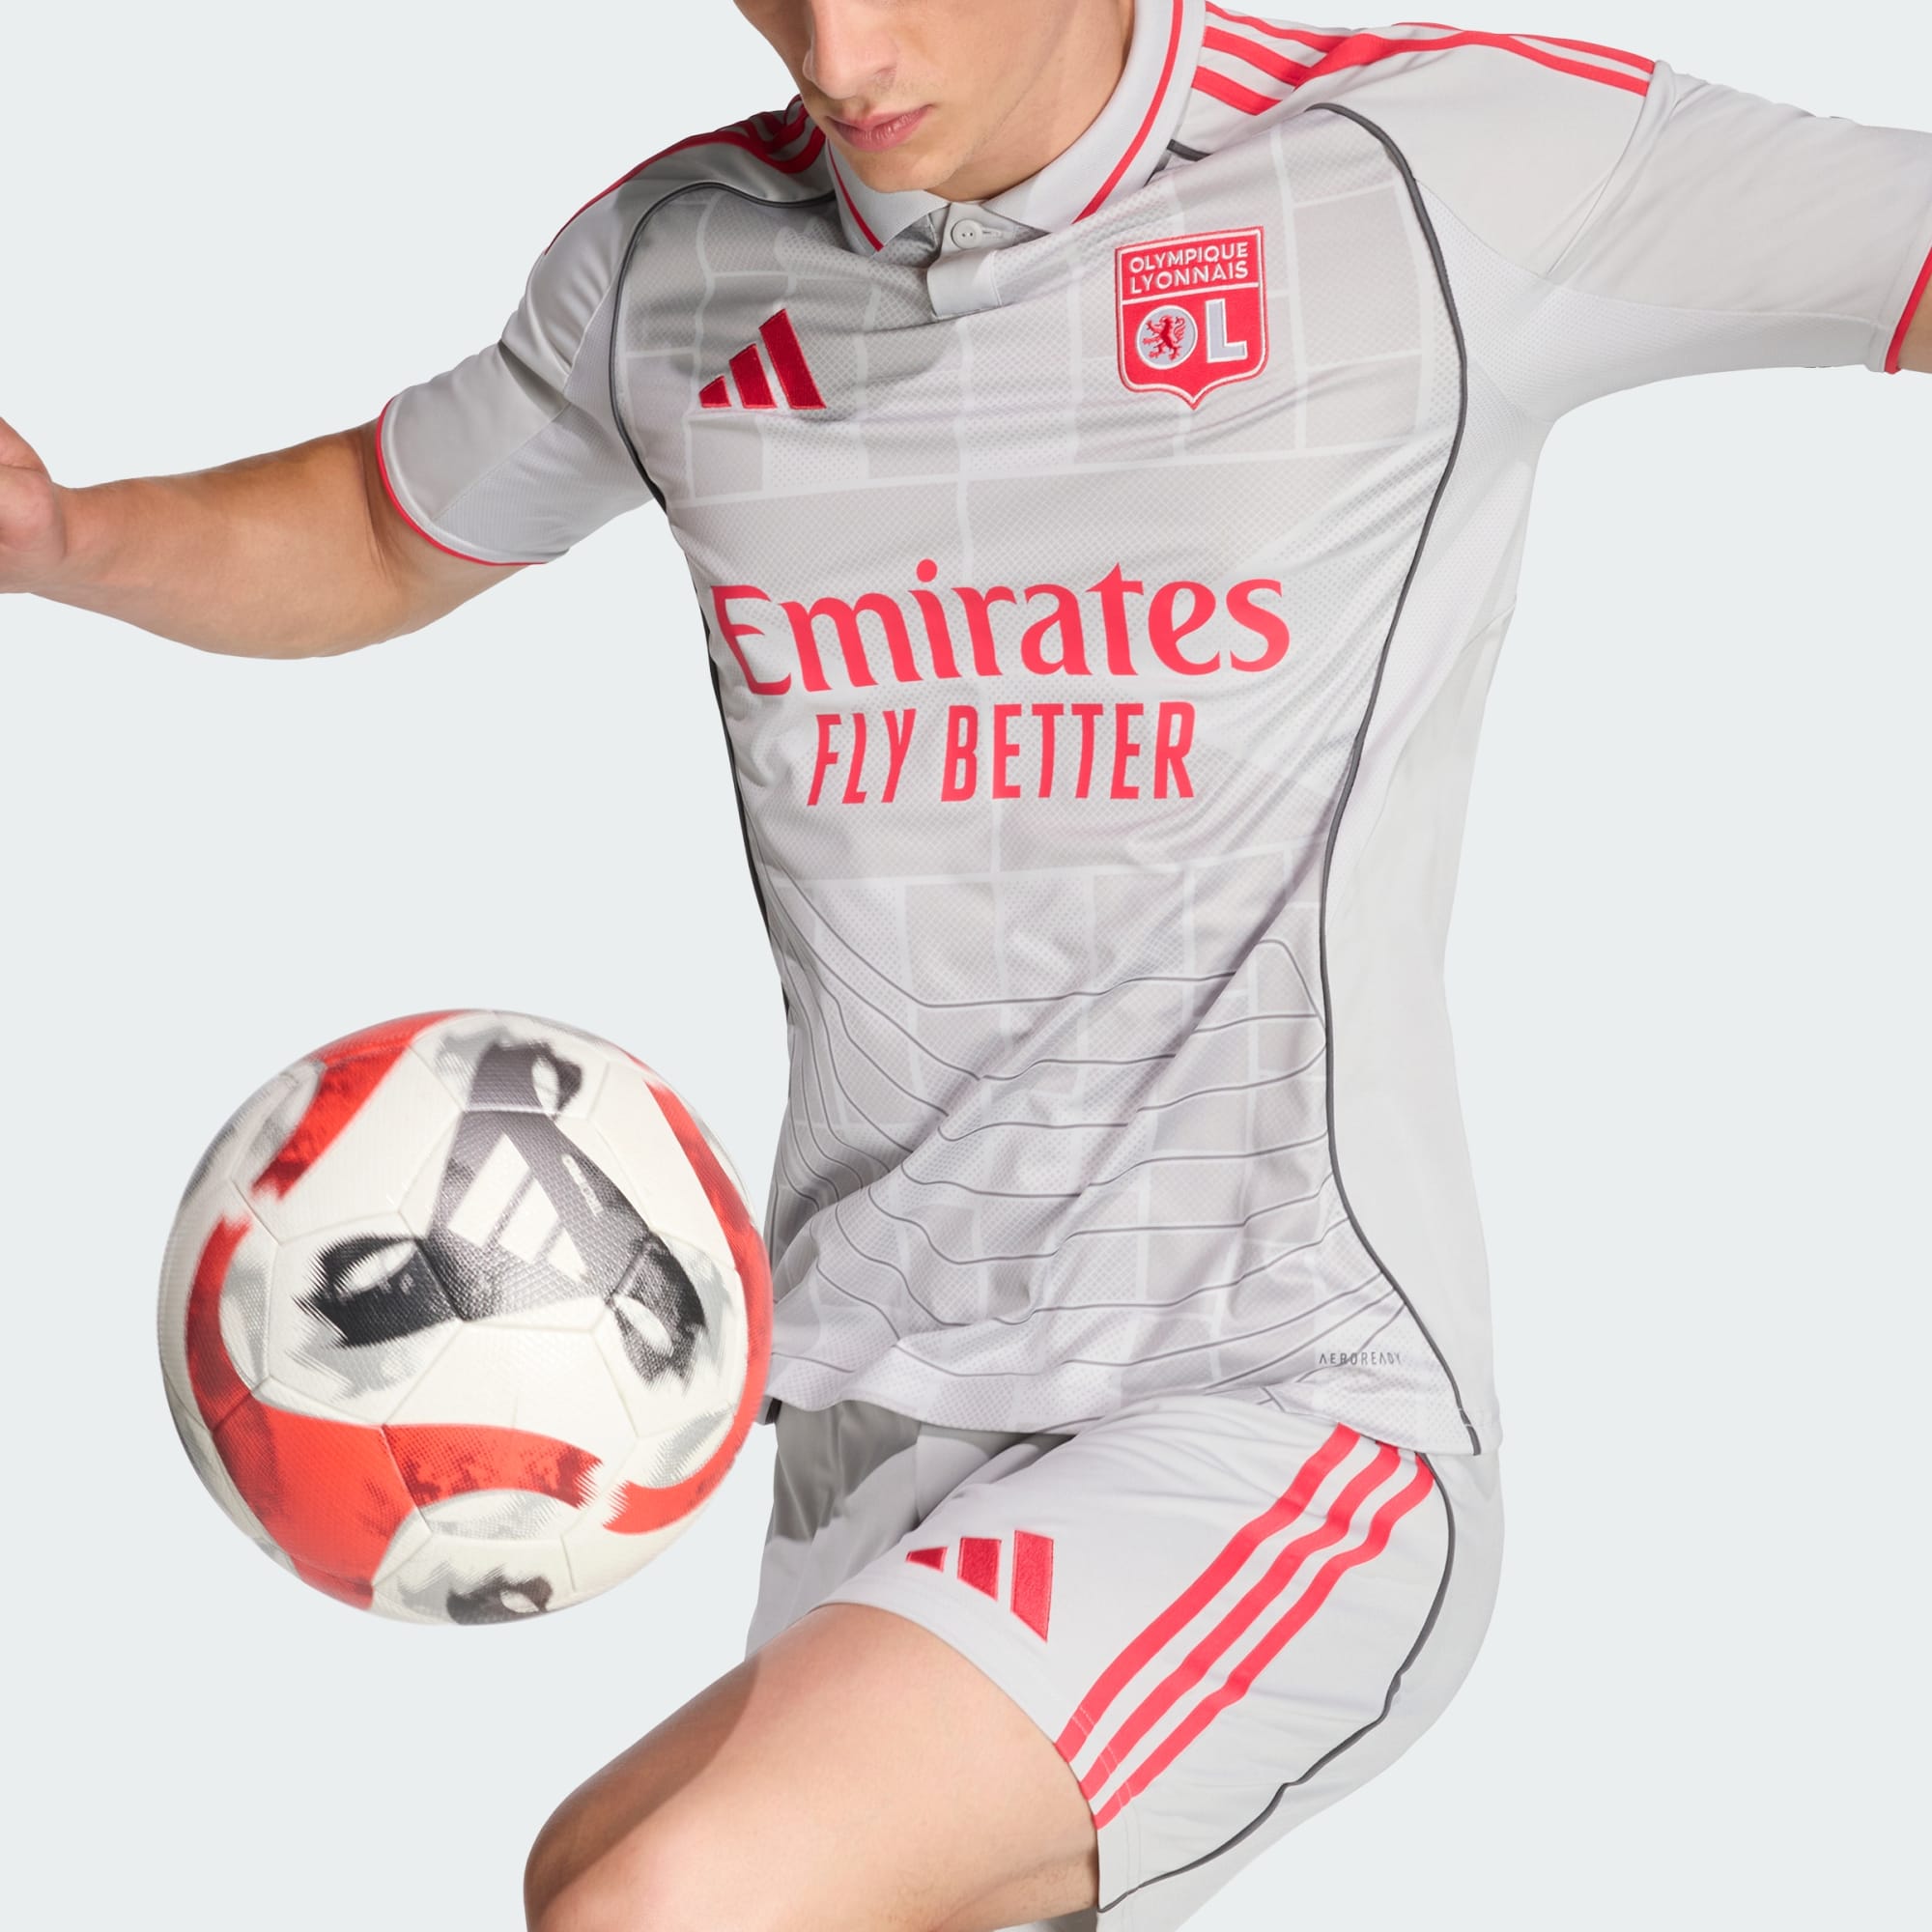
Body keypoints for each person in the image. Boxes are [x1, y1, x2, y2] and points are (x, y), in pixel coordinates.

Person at [4, 3, 1928, 1927]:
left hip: (1269, 1401)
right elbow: (380, 518)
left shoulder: (1424, 167)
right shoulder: (677, 267)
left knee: (667, 1899)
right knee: (586, 1871)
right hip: (860, 1441)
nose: (840, 50)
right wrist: (64, 537)